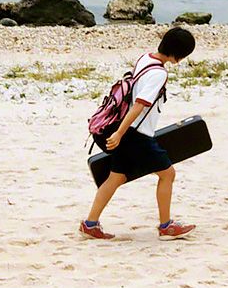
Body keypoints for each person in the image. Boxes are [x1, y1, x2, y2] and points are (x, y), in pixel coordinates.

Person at [81, 26, 197, 240]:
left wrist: (118, 133)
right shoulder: (159, 73)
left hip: (125, 131)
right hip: (135, 134)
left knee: (116, 178)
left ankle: (90, 224)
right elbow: (139, 106)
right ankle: (166, 226)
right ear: (178, 54)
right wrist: (119, 134)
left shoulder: (146, 58)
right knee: (167, 173)